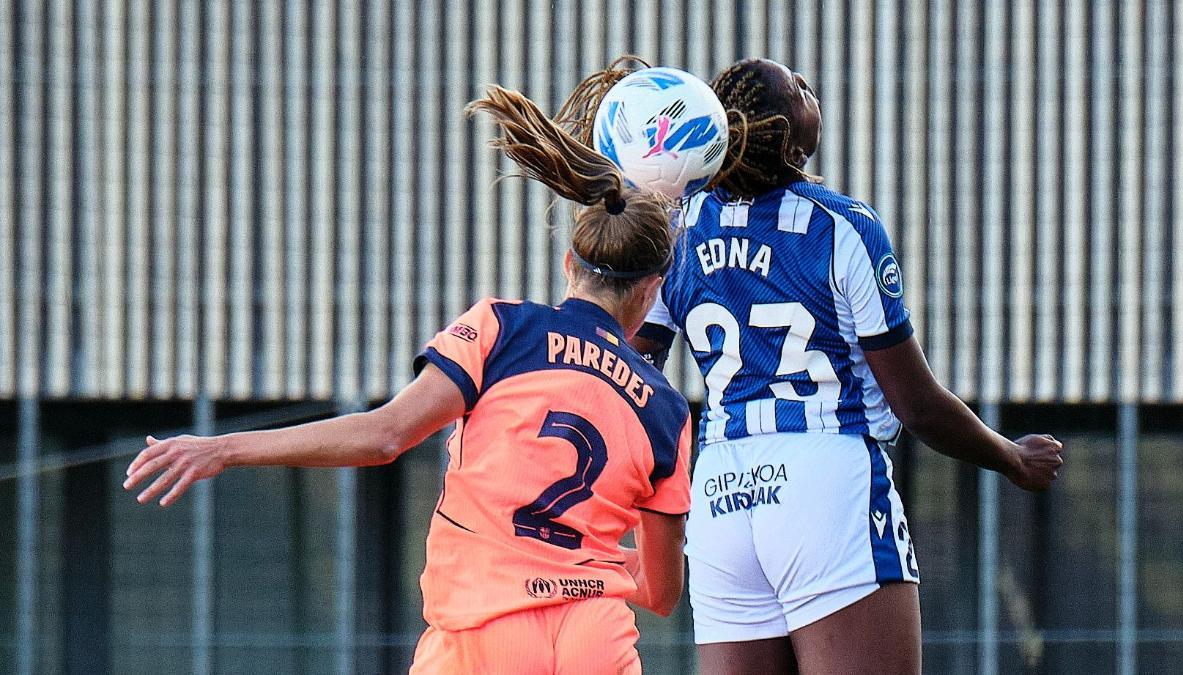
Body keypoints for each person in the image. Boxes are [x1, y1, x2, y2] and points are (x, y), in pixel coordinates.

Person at [123, 84, 693, 675]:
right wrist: (584, 564)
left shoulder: (503, 331)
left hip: (483, 637)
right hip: (594, 640)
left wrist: (225, 448)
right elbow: (660, 593)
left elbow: (385, 436)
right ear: (652, 291)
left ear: (569, 262)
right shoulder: (667, 412)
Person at [602, 58, 1063, 674]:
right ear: (793, 140)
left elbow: (634, 367)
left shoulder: (678, 231)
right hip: (826, 480)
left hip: (720, 494)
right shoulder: (842, 226)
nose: (809, 87)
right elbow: (917, 406)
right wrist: (1010, 457)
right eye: (798, 87)